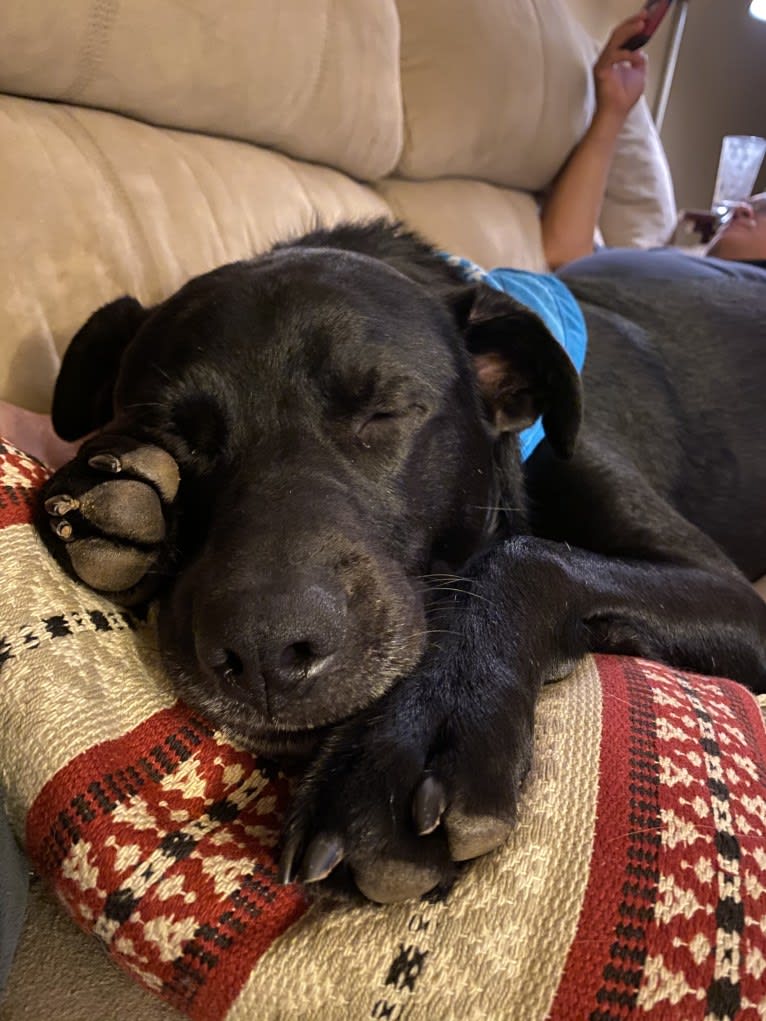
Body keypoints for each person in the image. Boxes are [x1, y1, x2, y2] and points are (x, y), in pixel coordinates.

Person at [540, 13, 766, 271]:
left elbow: (567, 259)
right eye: (750, 204)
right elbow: (569, 257)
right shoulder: (681, 270)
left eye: (762, 211)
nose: (741, 209)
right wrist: (613, 110)